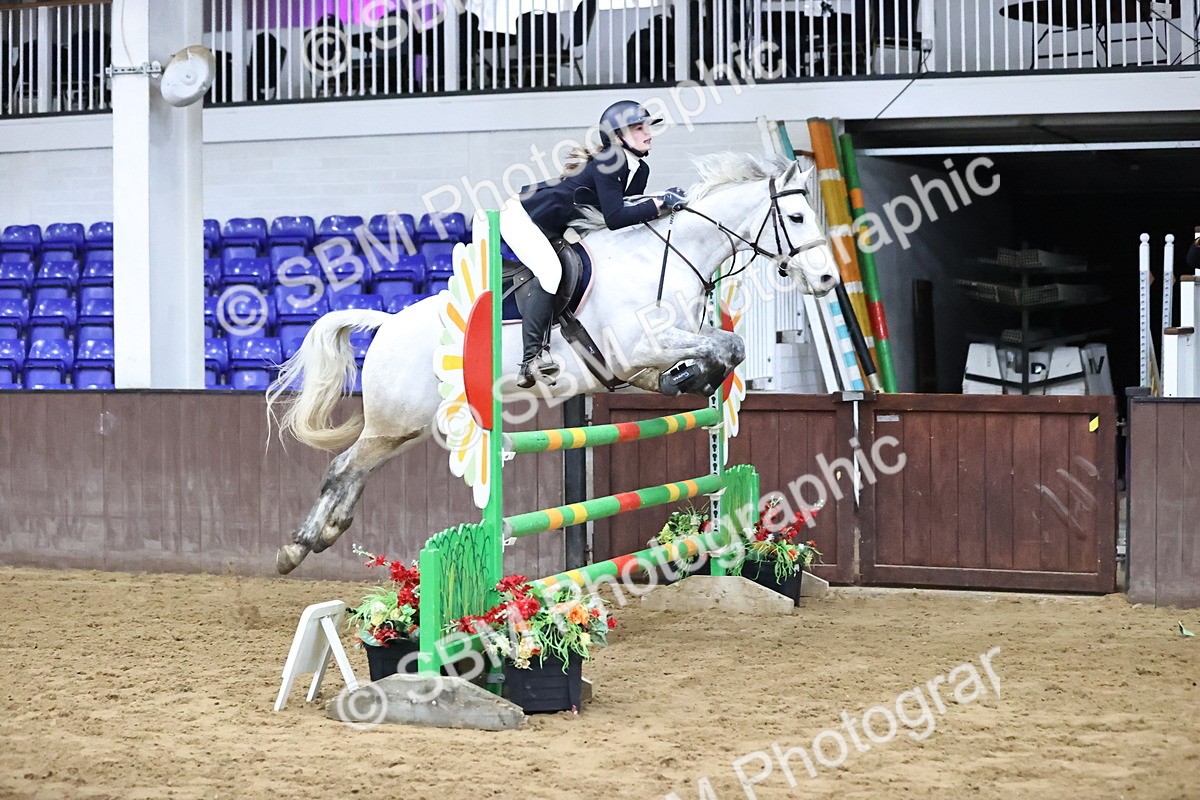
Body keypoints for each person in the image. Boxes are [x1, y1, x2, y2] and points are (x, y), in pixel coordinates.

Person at [499, 100, 688, 388]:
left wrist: (665, 203)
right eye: (639, 128)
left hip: (555, 224)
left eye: (647, 126)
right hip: (522, 218)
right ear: (617, 137)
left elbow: (631, 210)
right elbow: (615, 218)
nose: (648, 132)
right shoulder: (609, 163)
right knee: (550, 272)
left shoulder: (640, 169)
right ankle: (531, 359)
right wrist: (659, 203)